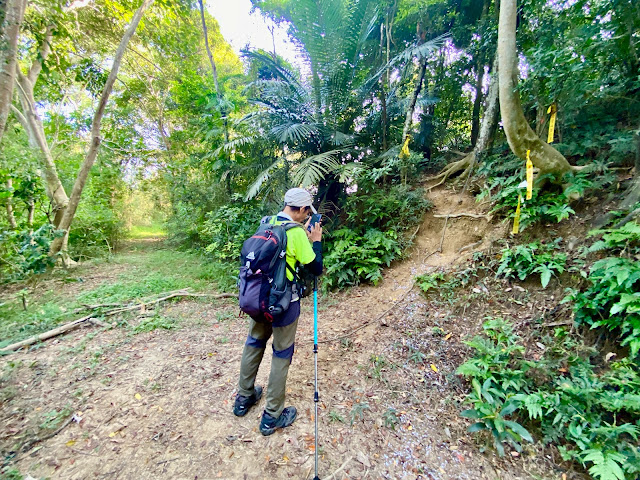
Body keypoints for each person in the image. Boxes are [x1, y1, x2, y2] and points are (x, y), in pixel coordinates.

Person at [234, 188, 323, 436]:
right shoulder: (296, 233)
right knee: (281, 354)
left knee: (254, 343)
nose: (308, 217)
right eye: (307, 212)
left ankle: (243, 398)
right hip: (284, 305)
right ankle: (272, 416)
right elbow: (315, 267)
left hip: (257, 301)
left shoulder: (266, 223)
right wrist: (315, 241)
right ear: (303, 210)